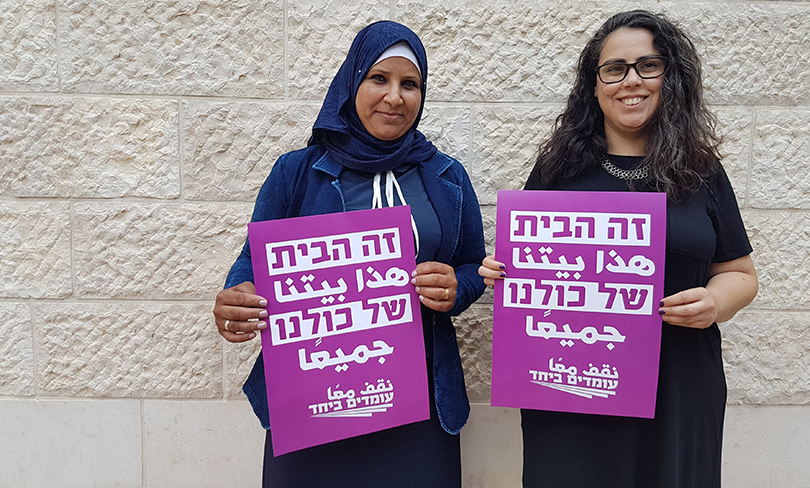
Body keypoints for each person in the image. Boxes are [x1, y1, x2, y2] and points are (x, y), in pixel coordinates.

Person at [478, 10, 758, 487]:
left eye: (648, 65)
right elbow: (525, 266)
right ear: (594, 85)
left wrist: (715, 302)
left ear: (671, 78)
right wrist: (502, 272)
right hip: (571, 389)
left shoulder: (702, 171)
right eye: (614, 69)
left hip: (677, 388)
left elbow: (741, 274)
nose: (631, 81)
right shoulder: (557, 171)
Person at [212, 21, 486, 487]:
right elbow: (253, 261)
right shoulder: (297, 171)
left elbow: (473, 265)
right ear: (351, 81)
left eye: (410, 84)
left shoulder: (446, 176)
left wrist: (457, 287)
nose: (395, 97)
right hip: (315, 397)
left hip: (417, 403)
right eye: (379, 78)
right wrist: (239, 296)